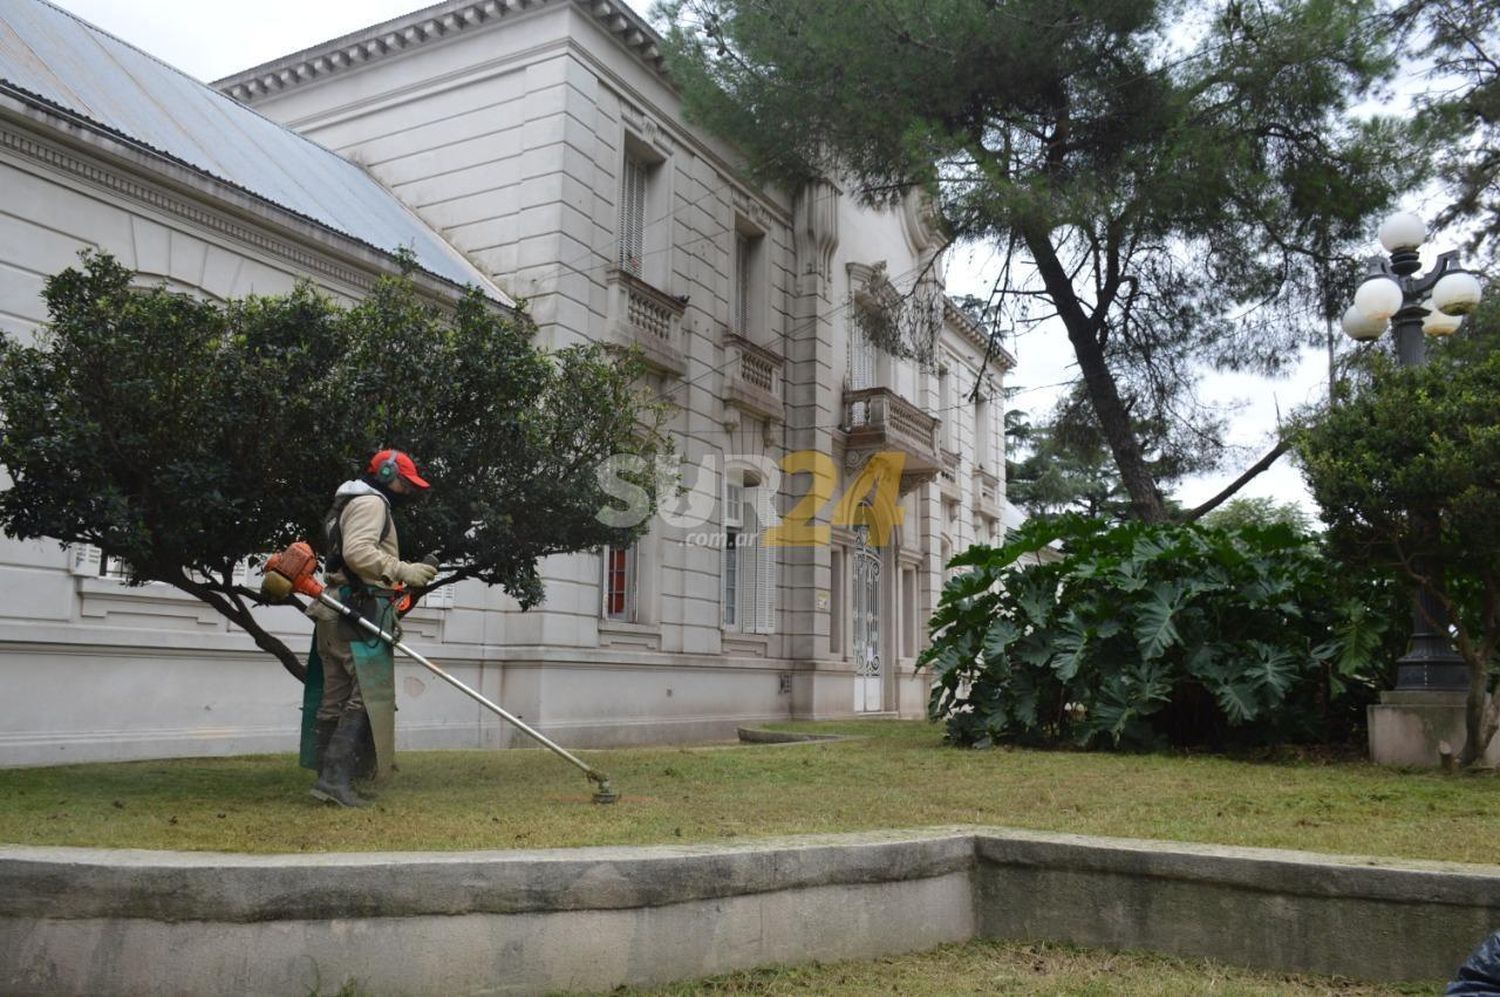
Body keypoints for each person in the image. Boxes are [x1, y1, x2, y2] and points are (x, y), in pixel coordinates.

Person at [299, 449, 437, 807]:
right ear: (386, 472)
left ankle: (328, 781)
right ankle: (335, 779)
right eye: (403, 482)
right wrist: (404, 570)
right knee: (365, 694)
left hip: (335, 609)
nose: (406, 490)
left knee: (336, 696)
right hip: (356, 610)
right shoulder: (372, 503)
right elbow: (359, 554)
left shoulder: (345, 502)